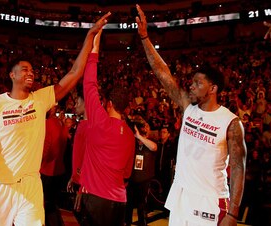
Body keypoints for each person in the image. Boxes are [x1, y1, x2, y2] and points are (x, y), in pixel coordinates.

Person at [0, 12, 111, 226]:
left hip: (31, 185)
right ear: (12, 75)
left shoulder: (40, 99)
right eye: (25, 69)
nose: (31, 73)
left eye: (32, 70)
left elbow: (74, 73)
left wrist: (90, 36)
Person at [135, 4, 247, 226]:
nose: (192, 86)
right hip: (182, 195)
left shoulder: (231, 123)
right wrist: (145, 37)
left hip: (211, 201)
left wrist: (233, 213)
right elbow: (163, 73)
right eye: (192, 82)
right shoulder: (188, 108)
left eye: (198, 83)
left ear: (213, 88)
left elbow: (238, 168)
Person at [79, 30, 135, 226]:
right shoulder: (130, 134)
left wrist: (95, 44)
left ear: (109, 103)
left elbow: (89, 83)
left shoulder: (99, 119)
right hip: (119, 201)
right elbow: (127, 173)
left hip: (95, 199)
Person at [125, 117, 157, 226]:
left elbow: (154, 147)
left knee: (142, 206)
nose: (145, 128)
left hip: (144, 180)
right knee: (128, 205)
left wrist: (139, 136)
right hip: (131, 179)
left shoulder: (151, 142)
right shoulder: (132, 142)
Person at [40, 105, 69, 226]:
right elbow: (63, 142)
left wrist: (39, 162)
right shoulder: (58, 123)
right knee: (52, 204)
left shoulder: (48, 124)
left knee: (46, 205)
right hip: (58, 169)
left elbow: (47, 149)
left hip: (47, 170)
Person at [66, 87, 87, 222]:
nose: (75, 105)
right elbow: (79, 155)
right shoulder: (82, 125)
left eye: (77, 102)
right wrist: (73, 176)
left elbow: (89, 159)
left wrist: (82, 188)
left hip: (85, 187)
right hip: (79, 181)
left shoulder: (90, 127)